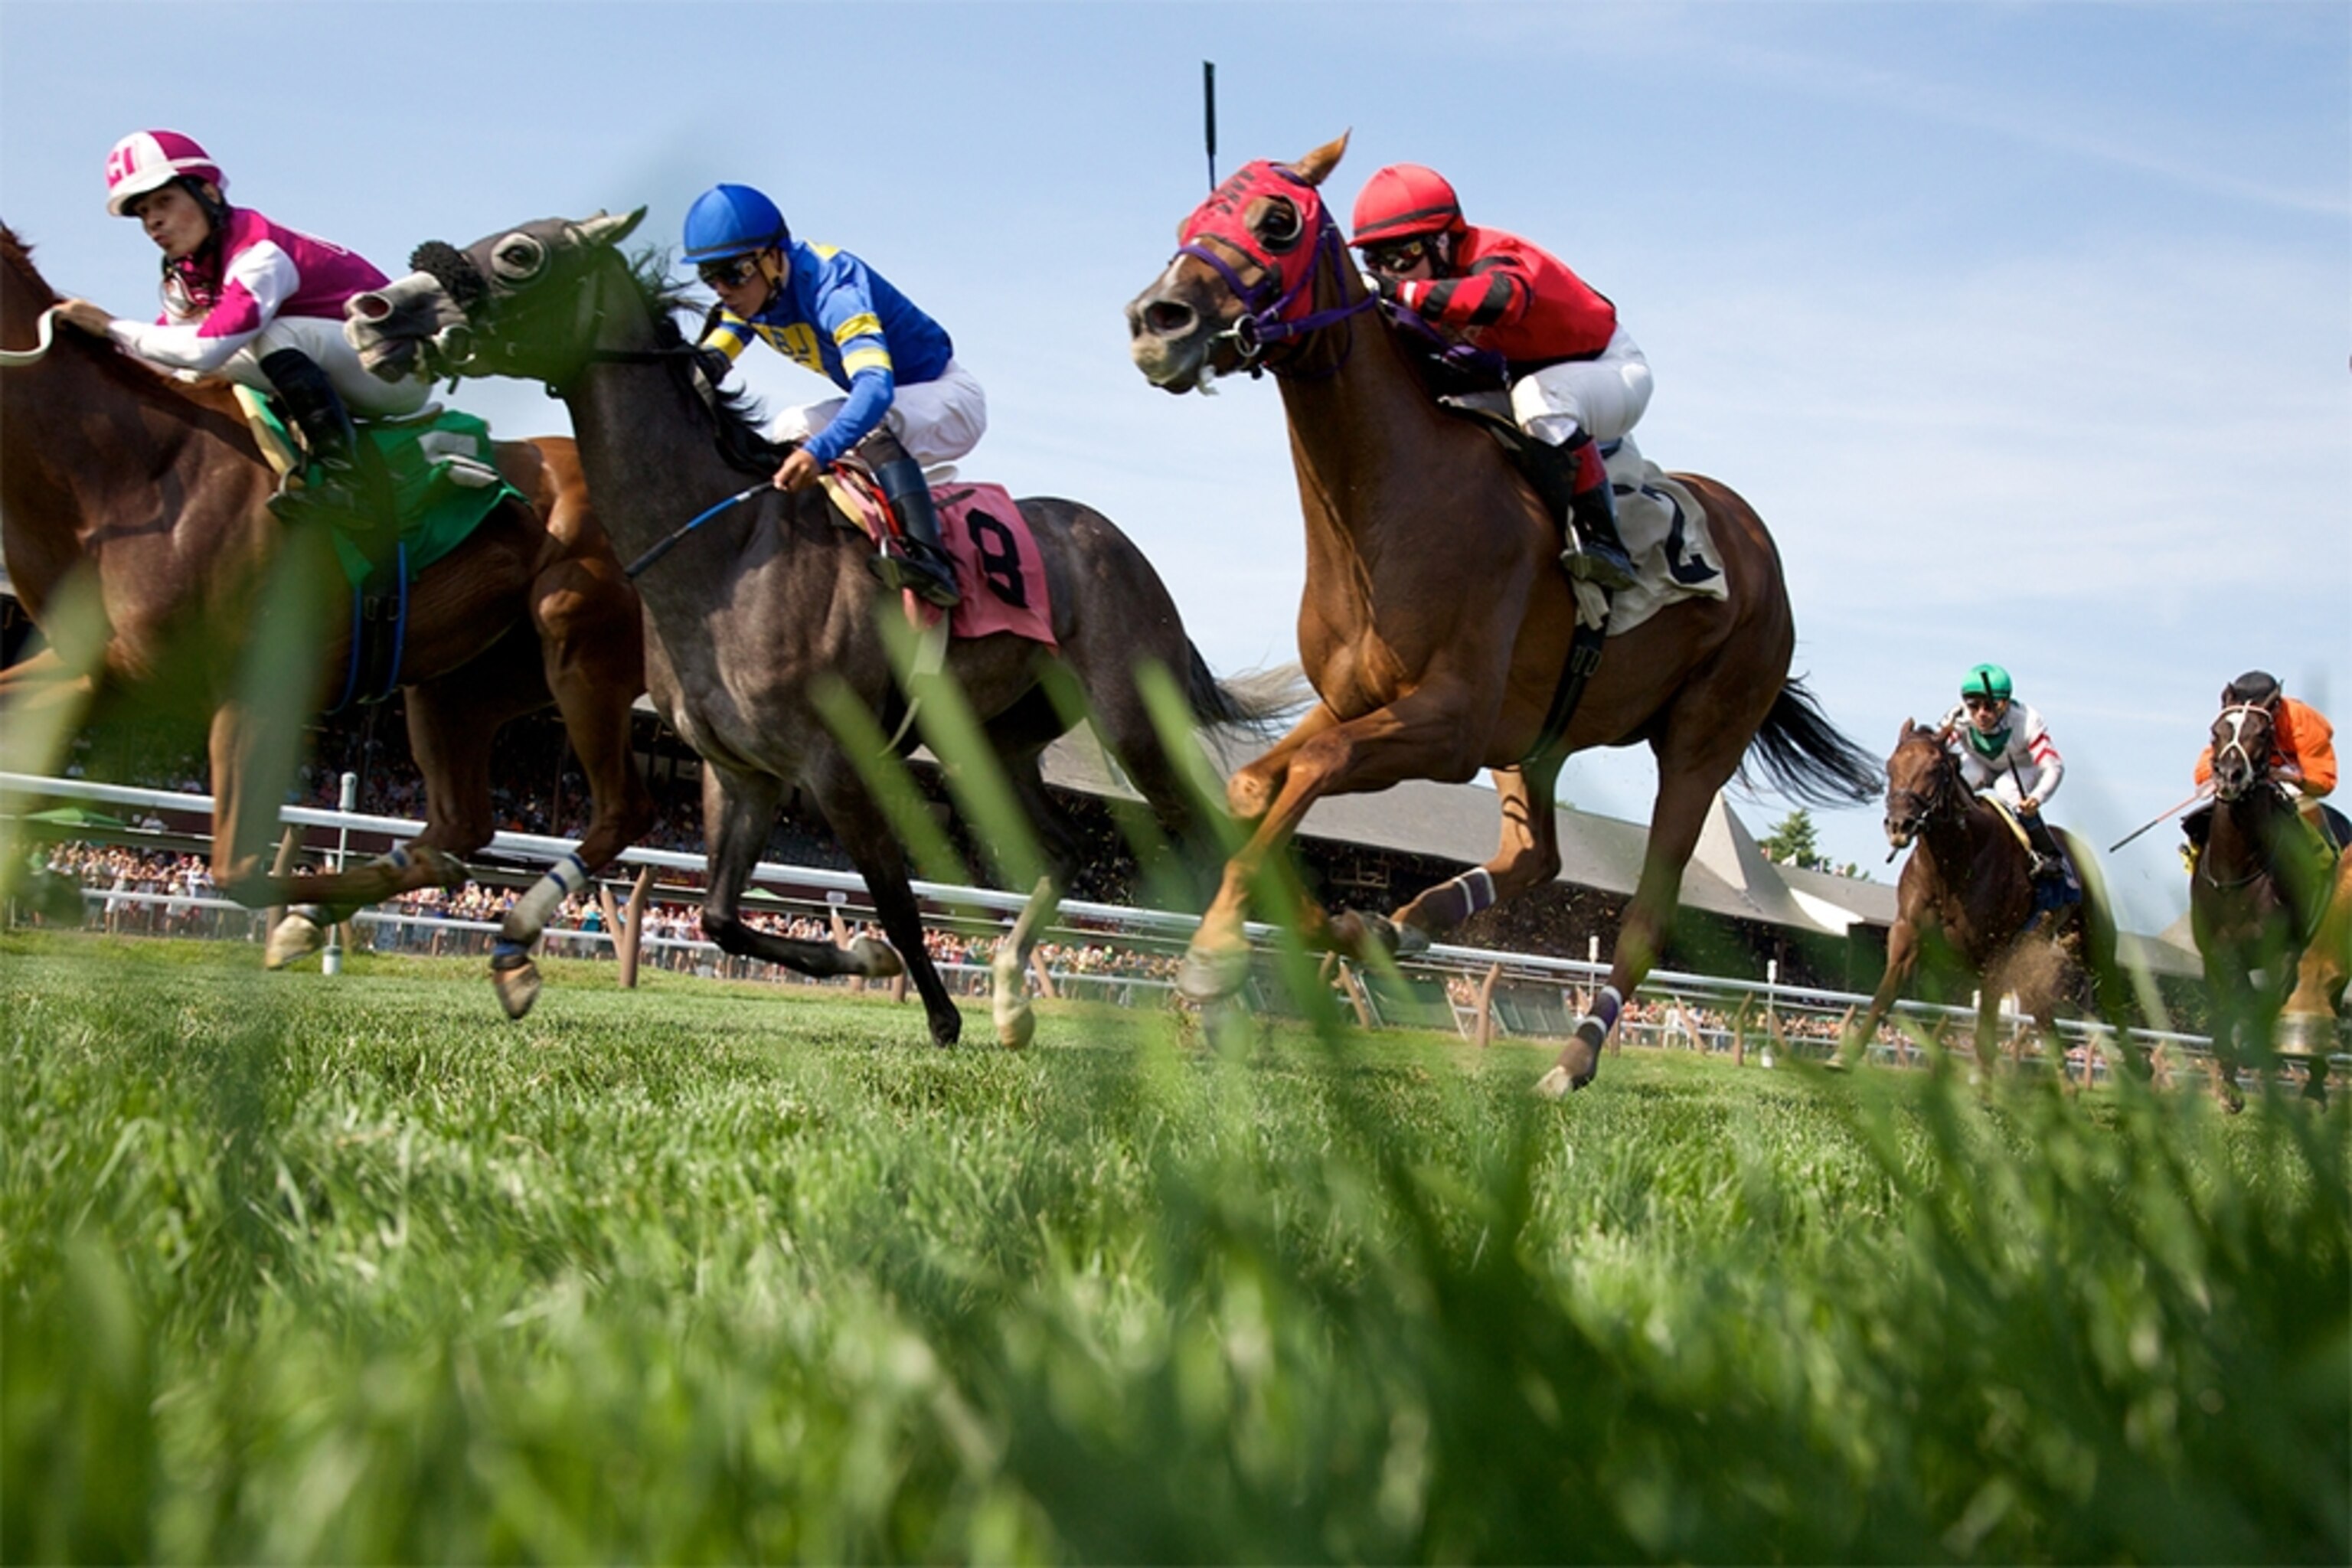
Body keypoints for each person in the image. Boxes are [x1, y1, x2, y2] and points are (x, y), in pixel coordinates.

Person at [56, 129, 428, 529]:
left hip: (395, 371)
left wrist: (109, 326)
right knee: (190, 364)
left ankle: (351, 485)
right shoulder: (188, 275)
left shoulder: (260, 255)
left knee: (270, 337)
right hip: (340, 364)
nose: (154, 222)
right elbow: (166, 357)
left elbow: (205, 349)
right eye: (144, 212)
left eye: (164, 201)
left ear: (209, 195)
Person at [1348, 163, 1648, 590]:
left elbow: (1502, 299)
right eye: (1376, 260)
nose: (1390, 271)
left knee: (1539, 403)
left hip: (1611, 368)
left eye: (1403, 256)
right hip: (1529, 376)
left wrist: (1399, 292)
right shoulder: (1427, 283)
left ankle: (1604, 541)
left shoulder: (1494, 251)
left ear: (1442, 241)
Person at [681, 182, 982, 608]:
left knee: (862, 425)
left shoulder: (833, 289)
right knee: (789, 428)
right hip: (898, 400)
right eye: (709, 276)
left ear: (772, 258)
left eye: (733, 273)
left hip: (947, 398)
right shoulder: (753, 299)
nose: (723, 289)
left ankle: (931, 561)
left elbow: (875, 390)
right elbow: (705, 368)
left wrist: (820, 452)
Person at [1936, 662, 2069, 883]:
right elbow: (1936, 749)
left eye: (1990, 706)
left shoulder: (2028, 721)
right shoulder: (1958, 716)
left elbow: (2054, 766)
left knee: (2006, 788)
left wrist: (2037, 798)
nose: (1981, 714)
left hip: (2023, 767)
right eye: (1974, 705)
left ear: (2005, 703)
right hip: (1980, 764)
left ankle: (2048, 854)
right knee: (1956, 782)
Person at [2190, 670, 2339, 850]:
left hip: (2290, 771)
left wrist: (2285, 777)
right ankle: (2194, 854)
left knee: (2304, 804)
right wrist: (2216, 777)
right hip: (2249, 769)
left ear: (2276, 706)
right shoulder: (2233, 721)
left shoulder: (2302, 720)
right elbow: (2204, 769)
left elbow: (2323, 782)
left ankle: (2329, 857)